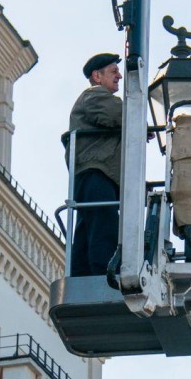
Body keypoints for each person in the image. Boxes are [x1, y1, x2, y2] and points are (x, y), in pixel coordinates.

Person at [62, 52, 124, 276]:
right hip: (96, 170)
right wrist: (138, 115)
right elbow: (115, 114)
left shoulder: (95, 96)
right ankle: (103, 272)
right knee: (103, 220)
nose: (119, 75)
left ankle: (82, 273)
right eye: (113, 71)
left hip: (93, 171)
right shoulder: (95, 95)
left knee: (88, 224)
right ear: (97, 76)